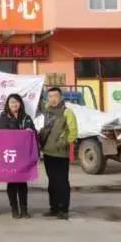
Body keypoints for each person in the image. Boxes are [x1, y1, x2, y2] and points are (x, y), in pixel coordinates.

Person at [39, 88, 78, 220]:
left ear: (61, 97)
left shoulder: (67, 112)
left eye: (55, 96)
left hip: (61, 154)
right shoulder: (47, 111)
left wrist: (63, 143)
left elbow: (73, 132)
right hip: (48, 153)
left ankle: (63, 209)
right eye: (50, 96)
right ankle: (54, 207)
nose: (53, 99)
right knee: (52, 182)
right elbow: (37, 102)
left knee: (62, 182)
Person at [0, 93, 37, 219]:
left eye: (16, 102)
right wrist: (20, 131)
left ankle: (24, 209)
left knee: (22, 183)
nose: (14, 104)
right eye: (12, 102)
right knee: (12, 183)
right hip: (10, 155)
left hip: (23, 155)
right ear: (8, 105)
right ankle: (14, 209)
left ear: (20, 103)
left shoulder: (26, 117)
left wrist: (30, 131)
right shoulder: (4, 117)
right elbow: (4, 134)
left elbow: (33, 132)